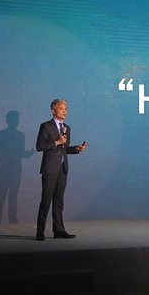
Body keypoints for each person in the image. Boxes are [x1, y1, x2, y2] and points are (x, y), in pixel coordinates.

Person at [35, 99, 88, 241]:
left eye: (66, 109)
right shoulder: (46, 126)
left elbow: (64, 149)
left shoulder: (67, 128)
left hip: (62, 169)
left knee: (59, 201)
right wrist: (57, 142)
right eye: (61, 109)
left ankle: (59, 230)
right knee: (46, 200)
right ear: (53, 110)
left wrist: (77, 148)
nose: (64, 111)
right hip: (49, 169)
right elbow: (40, 146)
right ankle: (40, 232)